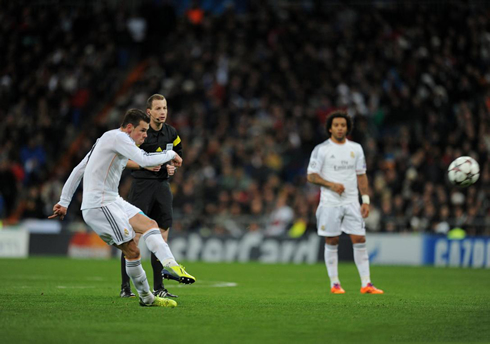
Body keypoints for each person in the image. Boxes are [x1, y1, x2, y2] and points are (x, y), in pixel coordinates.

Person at [49, 109, 195, 307]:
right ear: (129, 128)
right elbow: (144, 159)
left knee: (151, 224)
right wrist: (170, 154)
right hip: (99, 206)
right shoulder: (119, 137)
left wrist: (64, 201)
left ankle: (171, 266)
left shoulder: (106, 138)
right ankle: (147, 298)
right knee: (132, 250)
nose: (145, 135)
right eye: (142, 131)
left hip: (113, 200)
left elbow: (79, 169)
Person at [306, 111, 383, 294]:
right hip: (330, 203)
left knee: (360, 239)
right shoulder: (321, 149)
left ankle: (366, 284)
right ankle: (335, 284)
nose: (340, 128)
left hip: (351, 202)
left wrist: (365, 200)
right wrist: (330, 185)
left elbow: (361, 175)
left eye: (343, 125)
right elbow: (311, 176)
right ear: (330, 128)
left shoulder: (356, 148)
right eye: (336, 125)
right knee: (332, 240)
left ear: (347, 128)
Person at [120, 94, 183, 299]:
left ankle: (159, 288)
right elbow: (124, 159)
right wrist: (144, 164)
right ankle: (125, 288)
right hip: (141, 187)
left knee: (162, 236)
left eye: (164, 108)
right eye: (158, 108)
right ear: (149, 112)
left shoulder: (172, 133)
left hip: (162, 187)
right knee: (133, 238)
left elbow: (178, 157)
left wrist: (172, 166)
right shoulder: (141, 134)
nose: (162, 112)